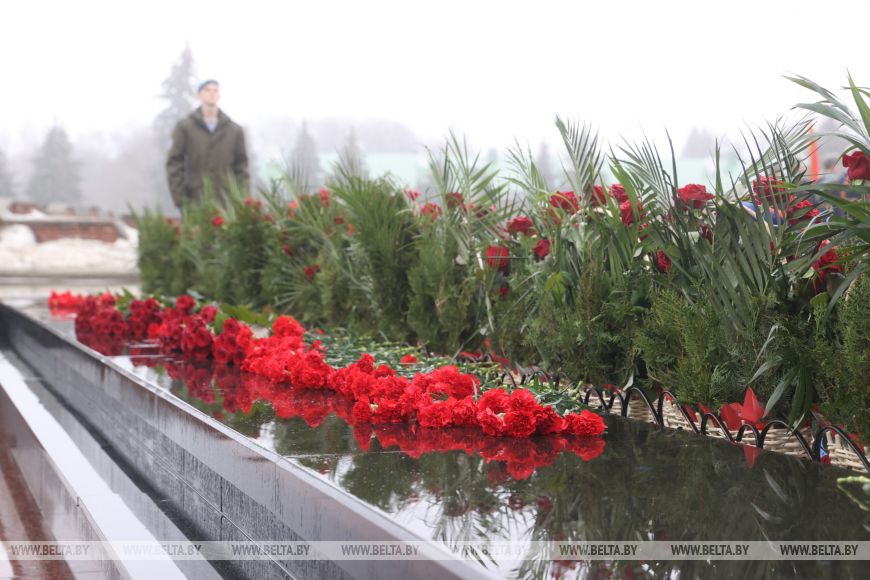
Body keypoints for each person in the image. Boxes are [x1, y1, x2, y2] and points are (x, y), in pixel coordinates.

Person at [166, 79, 249, 209]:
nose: (212, 93)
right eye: (207, 90)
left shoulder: (234, 131)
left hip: (227, 205)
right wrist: (180, 199)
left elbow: (242, 167)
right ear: (199, 94)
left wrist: (242, 200)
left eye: (215, 90)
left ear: (219, 95)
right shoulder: (185, 128)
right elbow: (174, 163)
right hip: (195, 201)